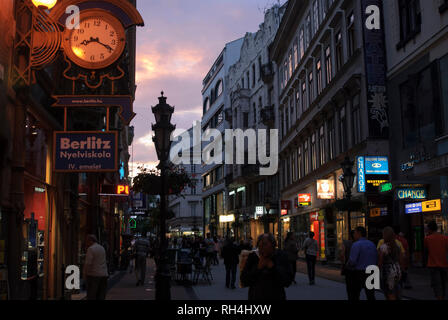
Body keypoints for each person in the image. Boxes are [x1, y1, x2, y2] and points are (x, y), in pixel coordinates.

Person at [240, 233, 293, 300]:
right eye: (260, 244)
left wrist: (273, 268)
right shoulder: (253, 257)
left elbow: (287, 281)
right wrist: (257, 268)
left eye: (265, 244)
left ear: (273, 245)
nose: (262, 247)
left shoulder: (281, 256)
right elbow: (244, 280)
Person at [346, 226, 377, 301]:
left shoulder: (356, 245)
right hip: (372, 271)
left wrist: (347, 265)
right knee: (370, 295)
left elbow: (352, 261)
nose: (354, 235)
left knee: (354, 294)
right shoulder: (372, 244)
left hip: (359, 273)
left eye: (355, 233)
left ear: (359, 233)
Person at [424, 221, 448, 300]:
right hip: (444, 264)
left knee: (437, 285)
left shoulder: (427, 239)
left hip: (433, 265)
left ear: (429, 229)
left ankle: (440, 298)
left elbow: (426, 251)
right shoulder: (445, 238)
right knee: (444, 284)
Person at [378, 227, 403, 300]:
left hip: (388, 271)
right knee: (396, 290)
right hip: (397, 270)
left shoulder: (383, 247)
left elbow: (380, 261)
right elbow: (401, 260)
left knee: (389, 293)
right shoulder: (398, 246)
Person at [83, 235, 109, 300]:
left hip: (94, 275)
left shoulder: (91, 249)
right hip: (104, 275)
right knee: (101, 295)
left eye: (87, 241)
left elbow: (88, 263)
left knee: (92, 295)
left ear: (91, 241)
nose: (86, 243)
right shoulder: (102, 248)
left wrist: (85, 274)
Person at [340, 230, 356, 300]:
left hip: (348, 267)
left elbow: (342, 254)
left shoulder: (346, 243)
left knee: (349, 287)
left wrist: (343, 263)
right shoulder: (358, 243)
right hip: (358, 267)